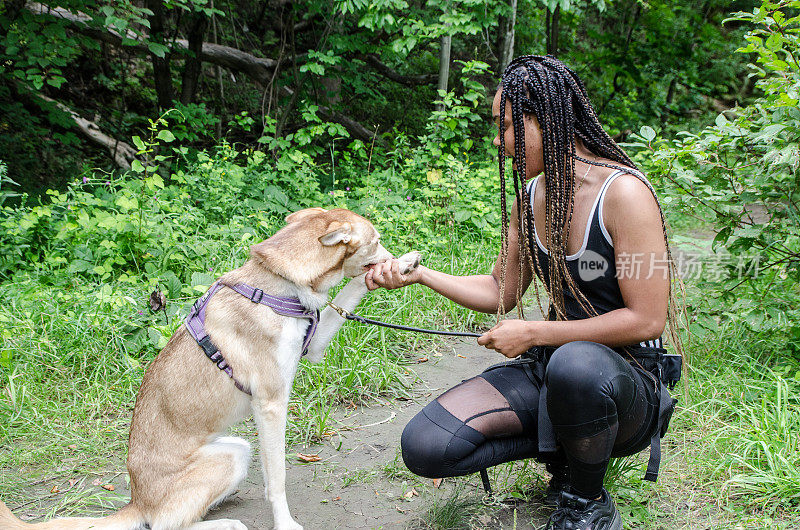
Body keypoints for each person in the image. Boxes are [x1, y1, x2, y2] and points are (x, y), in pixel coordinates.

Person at [365, 55, 683, 530]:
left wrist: (535, 332)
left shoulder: (625, 194)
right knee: (426, 444)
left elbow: (647, 320)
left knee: (576, 363)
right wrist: (422, 275)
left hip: (627, 380)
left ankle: (586, 500)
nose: (500, 141)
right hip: (556, 369)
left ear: (548, 122)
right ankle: (571, 452)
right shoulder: (532, 197)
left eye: (509, 126)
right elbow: (501, 289)